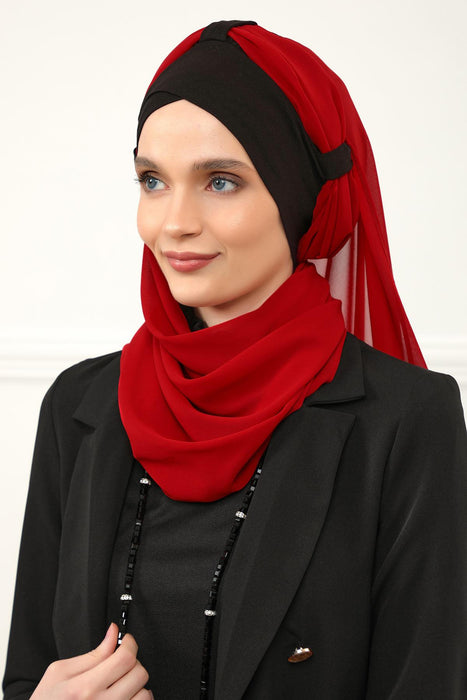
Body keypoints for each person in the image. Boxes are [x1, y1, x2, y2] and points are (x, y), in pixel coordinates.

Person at [3, 19, 467, 700]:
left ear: (297, 196)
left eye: (220, 182)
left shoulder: (405, 420)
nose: (174, 223)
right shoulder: (81, 404)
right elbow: (29, 675)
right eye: (152, 180)